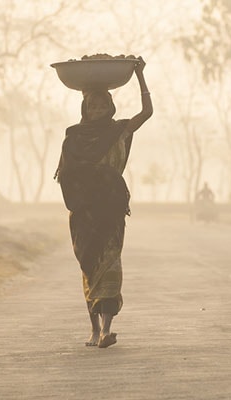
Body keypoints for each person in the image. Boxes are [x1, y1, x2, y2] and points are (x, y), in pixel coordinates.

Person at [54, 57, 152, 348]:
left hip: (110, 211)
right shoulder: (73, 137)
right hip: (84, 213)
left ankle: (107, 330)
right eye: (92, 106)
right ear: (84, 109)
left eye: (102, 106)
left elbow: (147, 112)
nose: (97, 110)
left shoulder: (119, 130)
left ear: (111, 108)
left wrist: (140, 76)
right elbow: (66, 175)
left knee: (110, 267)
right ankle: (94, 330)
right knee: (89, 266)